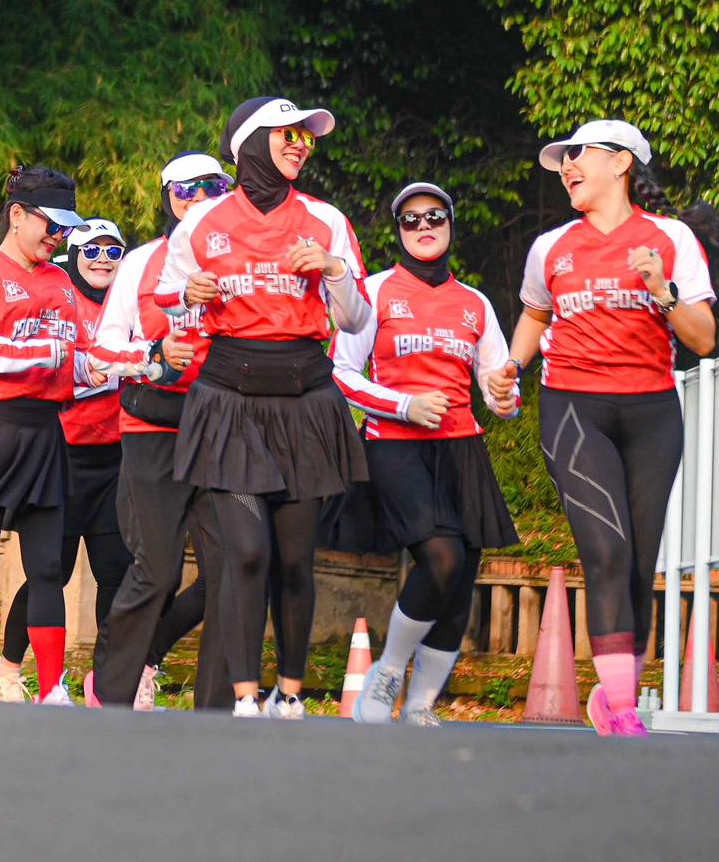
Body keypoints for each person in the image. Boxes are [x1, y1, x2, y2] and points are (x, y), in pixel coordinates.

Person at [488, 119, 716, 738]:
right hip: (574, 408)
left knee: (640, 562)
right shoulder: (551, 247)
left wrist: (661, 291)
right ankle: (620, 709)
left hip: (652, 412)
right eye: (560, 160)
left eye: (577, 155)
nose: (565, 167)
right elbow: (535, 314)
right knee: (608, 551)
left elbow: (705, 337)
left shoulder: (670, 239)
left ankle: (615, 696)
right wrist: (510, 365)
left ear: (620, 163)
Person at [155, 96, 370, 719]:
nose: (301, 142)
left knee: (297, 558)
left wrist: (332, 270)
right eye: (288, 132)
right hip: (230, 402)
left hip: (306, 400)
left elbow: (357, 318)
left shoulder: (326, 220)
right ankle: (245, 697)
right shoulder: (202, 222)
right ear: (250, 142)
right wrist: (189, 299)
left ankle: (291, 694)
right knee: (246, 551)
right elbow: (175, 311)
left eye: (307, 135)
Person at [330, 182, 518, 725]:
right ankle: (387, 670)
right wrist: (404, 404)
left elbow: (498, 388)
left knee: (460, 579)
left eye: (434, 216)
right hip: (396, 445)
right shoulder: (376, 291)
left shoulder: (475, 303)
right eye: (411, 220)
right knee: (443, 558)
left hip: (463, 449)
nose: (424, 226)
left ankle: (419, 704)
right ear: (399, 231)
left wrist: (505, 396)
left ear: (450, 223)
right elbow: (341, 373)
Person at [85, 152, 234, 710]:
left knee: (231, 568)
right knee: (159, 569)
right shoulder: (143, 260)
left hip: (221, 427)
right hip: (153, 424)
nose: (199, 197)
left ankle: (217, 710)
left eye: (214, 186)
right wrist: (153, 354)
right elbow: (100, 348)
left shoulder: (238, 260)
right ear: (169, 196)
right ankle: (112, 691)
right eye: (187, 189)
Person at [0, 218, 134, 701]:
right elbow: (58, 366)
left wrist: (135, 363)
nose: (103, 259)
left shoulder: (127, 304)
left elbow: (118, 361)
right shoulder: (60, 295)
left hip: (112, 458)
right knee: (47, 569)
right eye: (92, 250)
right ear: (71, 256)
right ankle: (10, 668)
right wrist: (103, 368)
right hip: (59, 452)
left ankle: (106, 683)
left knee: (116, 571)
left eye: (113, 251)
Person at [0, 165, 89, 705]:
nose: (58, 239)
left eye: (65, 229)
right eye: (50, 225)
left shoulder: (59, 279)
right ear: (16, 215)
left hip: (45, 434)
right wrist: (44, 353)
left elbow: (77, 353)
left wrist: (125, 364)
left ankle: (53, 689)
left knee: (49, 566)